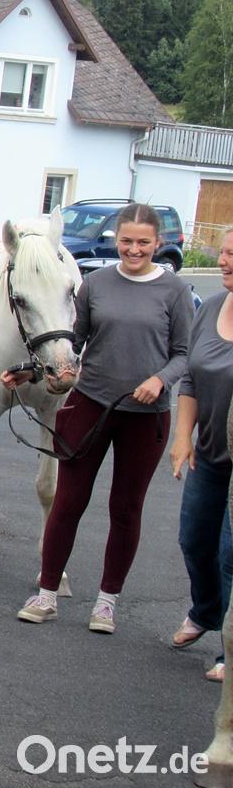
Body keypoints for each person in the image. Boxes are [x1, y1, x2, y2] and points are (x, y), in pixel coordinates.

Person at [14, 204, 193, 633]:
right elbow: (72, 340)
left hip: (144, 415)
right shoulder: (95, 284)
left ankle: (107, 601)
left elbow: (183, 354)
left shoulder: (174, 291)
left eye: (143, 242)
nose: (134, 249)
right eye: (127, 241)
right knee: (68, 502)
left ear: (158, 244)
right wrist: (30, 369)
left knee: (125, 509)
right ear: (116, 240)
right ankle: (46, 593)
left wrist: (159, 380)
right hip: (90, 404)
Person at [170, 228, 233, 681]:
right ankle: (207, 610)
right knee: (195, 538)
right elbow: (191, 377)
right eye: (225, 251)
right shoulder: (211, 306)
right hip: (211, 450)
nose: (225, 261)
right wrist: (182, 436)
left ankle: (231, 648)